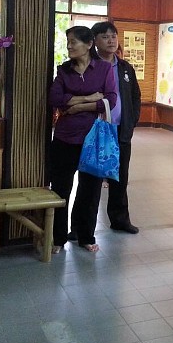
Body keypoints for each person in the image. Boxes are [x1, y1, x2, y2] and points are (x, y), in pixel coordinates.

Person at [67, 22, 141, 238]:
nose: (111, 41)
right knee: (90, 181)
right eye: (105, 37)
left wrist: (131, 121)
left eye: (113, 36)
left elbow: (135, 96)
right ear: (94, 42)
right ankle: (79, 227)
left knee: (120, 178)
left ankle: (120, 220)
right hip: (96, 131)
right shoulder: (90, 65)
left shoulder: (125, 68)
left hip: (120, 131)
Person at [49, 26, 117, 253]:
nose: (69, 46)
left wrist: (77, 106)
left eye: (73, 42)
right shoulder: (64, 70)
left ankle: (86, 236)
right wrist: (89, 98)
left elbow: (110, 100)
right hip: (64, 138)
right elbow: (55, 98)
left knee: (90, 190)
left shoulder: (104, 69)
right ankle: (58, 238)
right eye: (68, 42)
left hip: (93, 138)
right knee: (61, 189)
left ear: (88, 45)